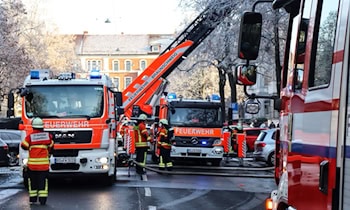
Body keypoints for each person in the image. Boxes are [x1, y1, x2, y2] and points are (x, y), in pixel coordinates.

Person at [20, 117, 54, 205]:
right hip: (44, 166)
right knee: (43, 183)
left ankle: (33, 199)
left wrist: (31, 147)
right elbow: (51, 146)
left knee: (33, 183)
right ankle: (42, 200)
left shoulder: (30, 137)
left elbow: (23, 146)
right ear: (42, 127)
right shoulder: (47, 136)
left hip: (32, 166)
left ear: (33, 127)